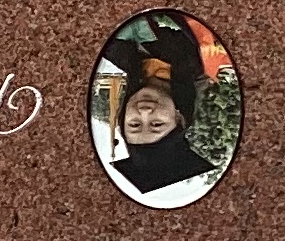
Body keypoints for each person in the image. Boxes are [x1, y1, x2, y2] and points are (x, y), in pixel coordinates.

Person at [96, 17, 225, 205]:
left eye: (134, 124)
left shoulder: (111, 51)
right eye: (156, 124)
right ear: (179, 118)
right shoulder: (208, 58)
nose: (144, 112)